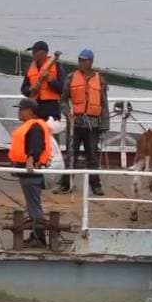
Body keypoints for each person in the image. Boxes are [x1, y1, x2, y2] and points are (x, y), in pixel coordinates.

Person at [60, 48, 109, 195]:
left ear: (91, 62)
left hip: (93, 124)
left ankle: (95, 184)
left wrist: (104, 126)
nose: (81, 63)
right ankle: (66, 183)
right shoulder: (70, 78)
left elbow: (104, 104)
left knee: (92, 155)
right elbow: (63, 100)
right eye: (80, 60)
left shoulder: (99, 80)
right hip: (75, 123)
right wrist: (67, 113)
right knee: (71, 154)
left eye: (84, 60)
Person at [9, 97, 54, 246]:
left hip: (31, 173)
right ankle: (36, 235)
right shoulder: (32, 125)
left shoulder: (35, 127)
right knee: (31, 204)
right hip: (26, 172)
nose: (19, 112)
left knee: (34, 205)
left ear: (30, 111)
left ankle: (38, 238)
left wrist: (30, 161)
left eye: (21, 109)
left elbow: (36, 146)